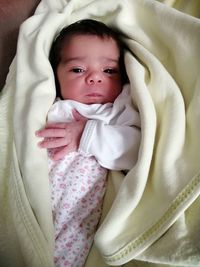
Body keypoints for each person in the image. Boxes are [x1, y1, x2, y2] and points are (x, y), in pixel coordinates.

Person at [35, 19, 141, 267]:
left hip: (81, 210)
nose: (94, 78)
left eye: (108, 71)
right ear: (55, 74)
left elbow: (135, 149)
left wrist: (86, 134)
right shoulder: (51, 106)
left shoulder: (116, 110)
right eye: (78, 70)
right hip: (42, 190)